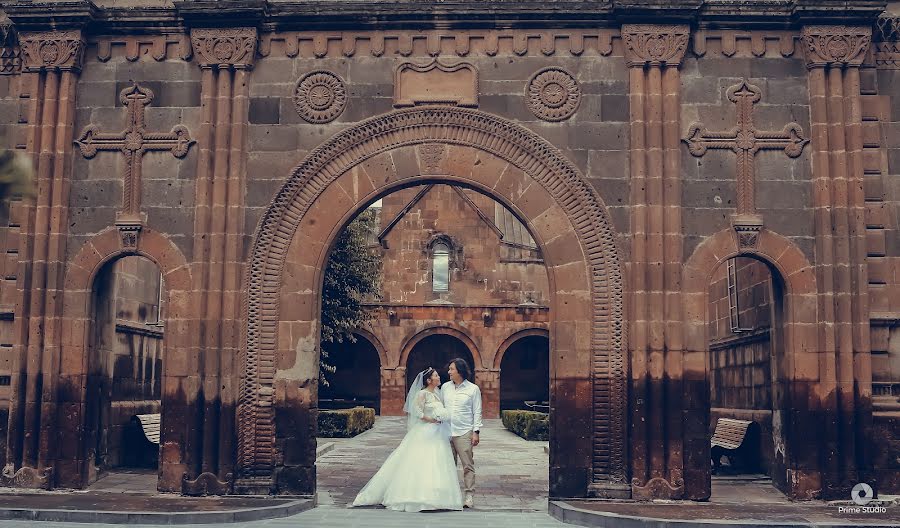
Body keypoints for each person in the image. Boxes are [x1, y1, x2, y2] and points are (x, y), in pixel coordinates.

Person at [352, 367, 463, 512]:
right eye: (436, 376)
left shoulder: (437, 393)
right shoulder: (422, 394)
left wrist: (442, 417)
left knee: (437, 462)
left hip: (438, 433)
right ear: (429, 380)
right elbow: (417, 412)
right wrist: (432, 419)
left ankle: (437, 495)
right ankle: (415, 495)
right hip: (426, 431)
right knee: (421, 461)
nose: (439, 377)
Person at [441, 357, 483, 509]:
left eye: (452, 369)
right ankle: (450, 496)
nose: (449, 372)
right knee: (448, 466)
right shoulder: (445, 387)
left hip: (464, 432)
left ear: (460, 371)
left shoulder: (473, 389)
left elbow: (477, 411)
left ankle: (469, 495)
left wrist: (476, 432)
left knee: (467, 465)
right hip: (446, 432)